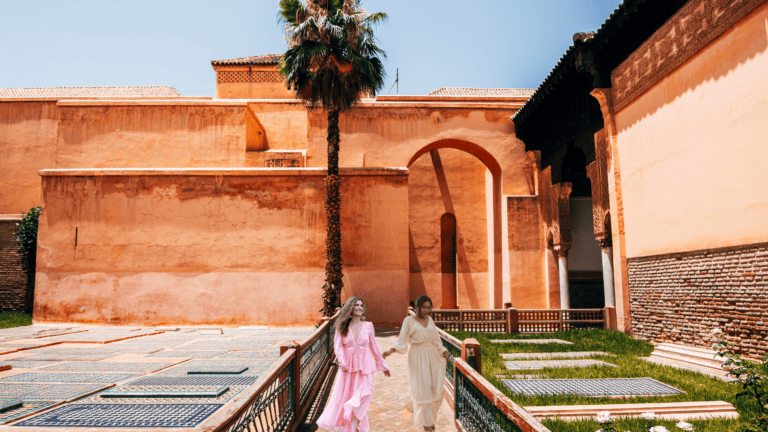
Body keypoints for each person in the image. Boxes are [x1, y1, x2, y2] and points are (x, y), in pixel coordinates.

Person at [317, 297, 390, 432]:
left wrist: (383, 365)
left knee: (364, 395)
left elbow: (374, 347)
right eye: (356, 305)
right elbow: (338, 346)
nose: (360, 307)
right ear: (350, 308)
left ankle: (355, 426)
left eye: (361, 305)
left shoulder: (368, 326)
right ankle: (352, 427)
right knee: (348, 395)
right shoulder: (342, 326)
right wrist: (342, 362)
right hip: (348, 368)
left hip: (365, 367)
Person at [383, 295, 451, 432]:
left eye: (429, 308)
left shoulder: (430, 320)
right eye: (424, 307)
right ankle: (427, 424)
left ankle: (430, 418)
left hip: (432, 356)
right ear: (418, 307)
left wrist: (443, 350)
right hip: (417, 357)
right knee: (422, 389)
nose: (427, 310)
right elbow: (402, 339)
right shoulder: (409, 320)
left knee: (433, 388)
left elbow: (436, 340)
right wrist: (391, 350)